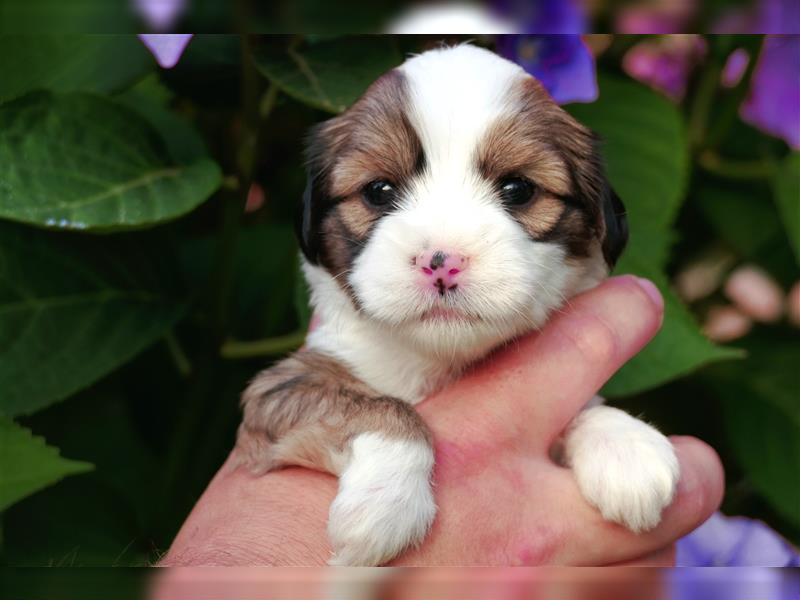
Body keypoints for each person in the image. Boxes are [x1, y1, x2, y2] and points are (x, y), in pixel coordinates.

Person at [161, 276, 723, 566]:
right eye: (382, 194)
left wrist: (594, 429)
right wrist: (390, 444)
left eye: (515, 191)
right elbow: (277, 401)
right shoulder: (344, 352)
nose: (443, 257)